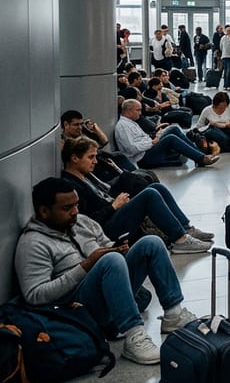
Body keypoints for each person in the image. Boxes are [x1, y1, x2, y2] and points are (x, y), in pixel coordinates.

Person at [16, 177, 201, 366]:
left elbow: (104, 245)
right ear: (44, 212)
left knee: (151, 243)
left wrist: (117, 248)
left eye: (76, 205)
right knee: (110, 260)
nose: (75, 212)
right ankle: (133, 334)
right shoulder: (33, 243)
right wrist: (87, 265)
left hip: (108, 290)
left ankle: (173, 313)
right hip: (76, 309)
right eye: (66, 208)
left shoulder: (82, 222)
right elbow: (34, 295)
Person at [60, 136, 212, 254]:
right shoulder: (72, 187)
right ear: (74, 158)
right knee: (150, 194)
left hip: (112, 213)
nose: (95, 161)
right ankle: (180, 240)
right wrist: (113, 206)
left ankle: (185, 228)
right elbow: (85, 222)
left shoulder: (85, 176)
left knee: (156, 187)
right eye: (90, 157)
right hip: (105, 228)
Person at [113, 100, 217, 169]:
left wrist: (154, 137)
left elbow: (141, 138)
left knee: (174, 128)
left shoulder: (130, 122)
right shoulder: (123, 126)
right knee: (171, 138)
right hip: (142, 158)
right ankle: (201, 158)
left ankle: (199, 154)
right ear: (128, 111)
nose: (140, 113)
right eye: (138, 110)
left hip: (147, 148)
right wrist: (152, 142)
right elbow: (131, 148)